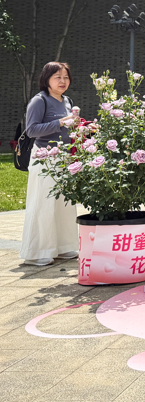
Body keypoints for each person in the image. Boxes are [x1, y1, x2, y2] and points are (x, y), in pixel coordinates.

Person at [20, 62, 78, 266]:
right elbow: (31, 130)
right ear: (47, 80)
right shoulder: (39, 101)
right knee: (43, 204)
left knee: (64, 204)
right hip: (44, 158)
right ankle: (37, 252)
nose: (63, 81)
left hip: (64, 158)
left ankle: (63, 247)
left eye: (66, 77)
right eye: (57, 77)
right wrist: (61, 122)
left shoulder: (67, 101)